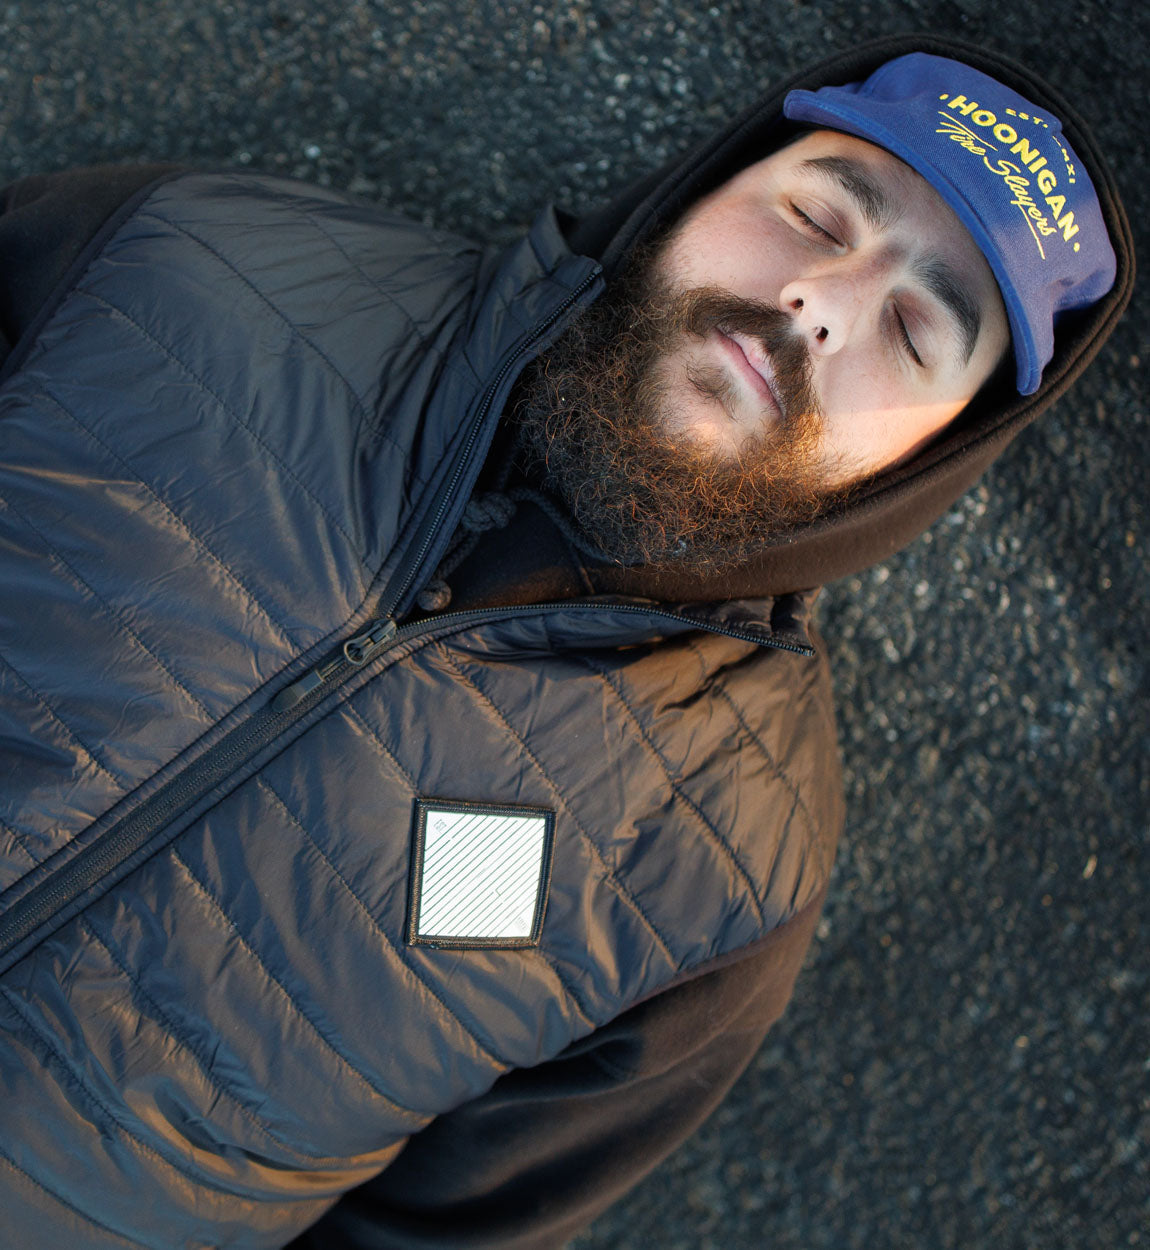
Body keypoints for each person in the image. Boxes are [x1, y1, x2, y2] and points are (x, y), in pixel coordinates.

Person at [0, 34, 1131, 1250]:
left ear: (929, 460)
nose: (821, 304)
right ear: (707, 183)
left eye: (914, 334)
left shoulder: (732, 863)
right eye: (814, 213)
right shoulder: (188, 261)